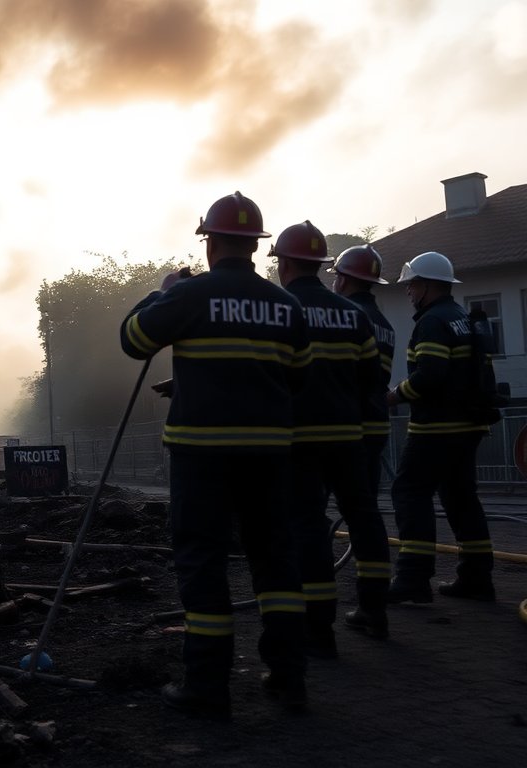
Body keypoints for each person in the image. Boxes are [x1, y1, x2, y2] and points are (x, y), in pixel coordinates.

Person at [119, 192, 310, 719]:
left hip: (202, 456)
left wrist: (160, 295)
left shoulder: (191, 296)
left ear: (210, 242)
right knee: (275, 558)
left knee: (203, 561)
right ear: (254, 245)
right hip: (270, 456)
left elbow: (133, 341)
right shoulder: (286, 305)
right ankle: (290, 678)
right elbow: (295, 376)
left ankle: (208, 685)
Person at [272, 223, 391, 652]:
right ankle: (375, 610)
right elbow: (371, 380)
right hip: (349, 438)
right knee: (364, 517)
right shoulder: (354, 314)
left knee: (307, 525)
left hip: (298, 438)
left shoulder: (282, 308)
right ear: (322, 267)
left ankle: (319, 629)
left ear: (284, 263)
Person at [386, 251, 498, 603]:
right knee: (461, 498)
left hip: (436, 428)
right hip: (468, 425)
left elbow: (431, 374)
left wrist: (393, 396)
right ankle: (477, 578)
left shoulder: (433, 322)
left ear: (428, 286)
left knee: (409, 493)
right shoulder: (460, 317)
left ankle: (413, 580)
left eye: (412, 284)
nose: (408, 291)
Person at [329, 245, 398, 498]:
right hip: (377, 423)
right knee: (365, 503)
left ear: (343, 279)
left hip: (349, 424)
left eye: (336, 276)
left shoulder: (347, 316)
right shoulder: (386, 324)